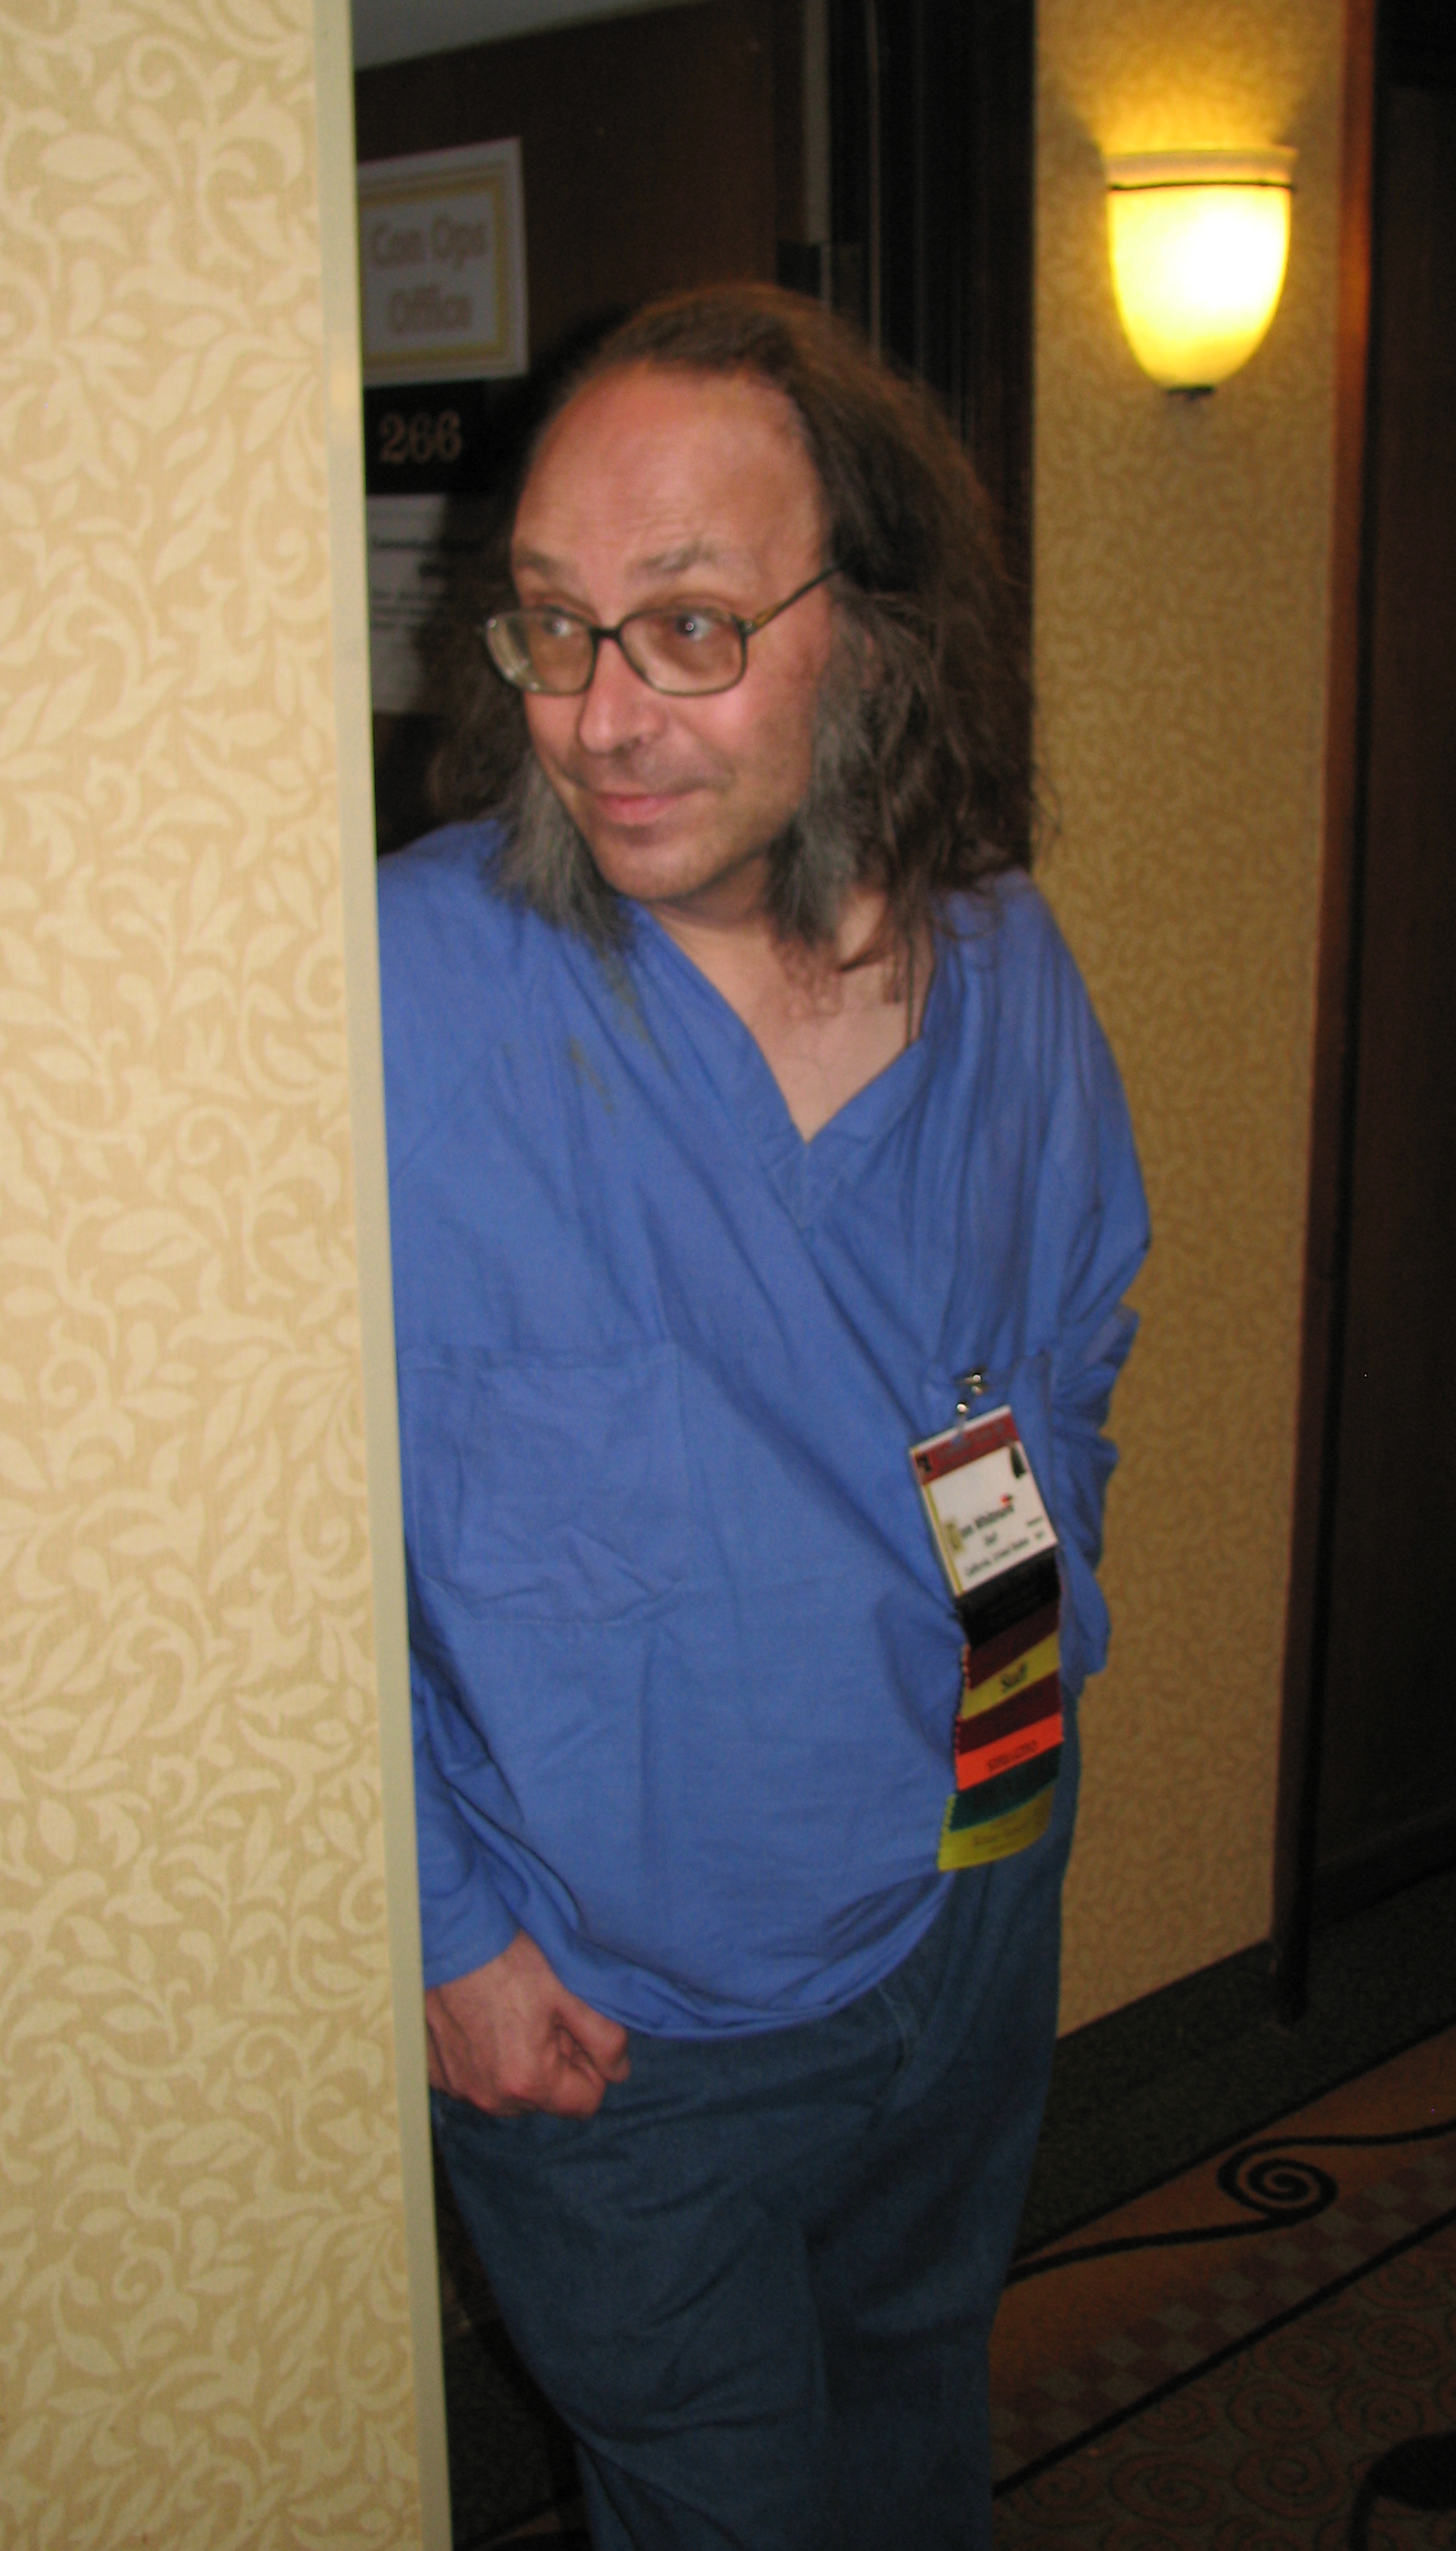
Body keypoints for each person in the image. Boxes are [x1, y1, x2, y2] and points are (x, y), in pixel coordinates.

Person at [378, 284, 1147, 2551]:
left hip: (975, 1899)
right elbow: (238, 1529)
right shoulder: (394, 999)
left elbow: (1072, 1333)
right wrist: (441, 1926)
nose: (601, 718)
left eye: (691, 628)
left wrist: (1019, 1705)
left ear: (868, 633)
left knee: (912, 2438)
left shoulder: (1000, 962)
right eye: (553, 627)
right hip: (625, 2031)